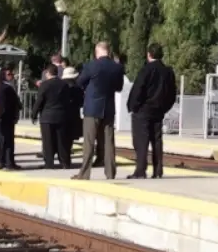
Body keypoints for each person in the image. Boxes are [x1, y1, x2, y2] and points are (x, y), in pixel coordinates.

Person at [74, 42, 124, 180]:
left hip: (92, 108)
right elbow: (119, 87)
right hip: (108, 108)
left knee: (89, 141)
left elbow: (79, 82)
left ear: (97, 52)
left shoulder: (91, 65)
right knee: (109, 142)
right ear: (108, 52)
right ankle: (110, 173)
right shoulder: (117, 68)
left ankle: (84, 173)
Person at [126, 43, 177, 179]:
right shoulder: (168, 72)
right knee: (157, 140)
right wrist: (164, 107)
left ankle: (140, 170)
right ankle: (158, 170)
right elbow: (172, 94)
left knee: (141, 141)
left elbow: (138, 89)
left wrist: (133, 106)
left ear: (149, 54)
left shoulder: (146, 70)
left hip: (143, 110)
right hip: (159, 110)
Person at [32, 64, 73, 168]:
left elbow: (39, 101)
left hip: (47, 117)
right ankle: (65, 162)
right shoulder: (64, 85)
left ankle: (49, 163)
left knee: (48, 141)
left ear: (47, 73)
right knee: (62, 140)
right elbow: (68, 100)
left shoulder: (44, 85)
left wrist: (34, 114)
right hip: (61, 116)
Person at [0, 67, 22, 170]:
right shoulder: (6, 88)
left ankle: (2, 161)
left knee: (3, 140)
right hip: (6, 118)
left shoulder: (1, 87)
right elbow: (12, 103)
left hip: (3, 118)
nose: (12, 76)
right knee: (8, 141)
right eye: (9, 74)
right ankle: (9, 162)